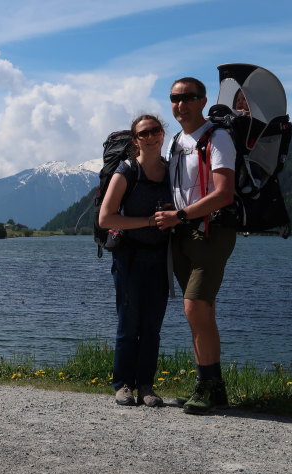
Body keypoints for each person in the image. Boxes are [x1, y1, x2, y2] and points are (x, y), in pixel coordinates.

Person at [154, 77, 236, 414]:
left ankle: (206, 384)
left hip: (210, 232)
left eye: (188, 98)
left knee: (195, 308)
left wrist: (180, 215)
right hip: (183, 233)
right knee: (200, 313)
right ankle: (213, 387)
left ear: (202, 101)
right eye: (174, 98)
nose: (180, 104)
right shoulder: (176, 141)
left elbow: (224, 192)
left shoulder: (218, 139)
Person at [98, 114, 172, 408]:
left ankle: (146, 386)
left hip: (160, 258)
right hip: (129, 258)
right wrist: (148, 222)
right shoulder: (126, 171)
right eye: (144, 133)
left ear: (163, 134)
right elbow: (106, 218)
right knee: (129, 324)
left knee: (152, 327)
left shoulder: (172, 170)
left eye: (155, 130)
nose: (151, 136)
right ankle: (123, 384)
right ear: (135, 140)